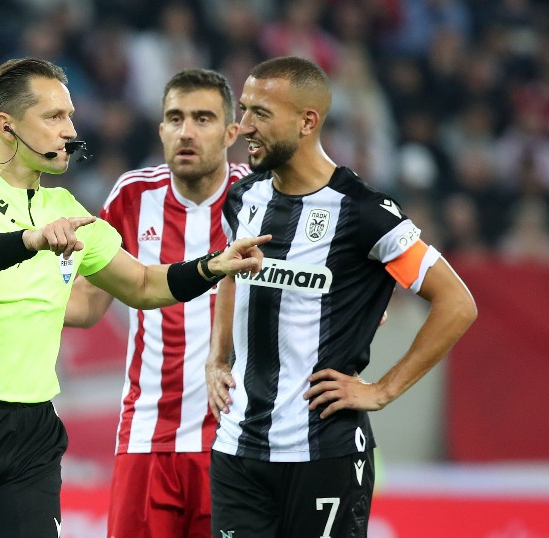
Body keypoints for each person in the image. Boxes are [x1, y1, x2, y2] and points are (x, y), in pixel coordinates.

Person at [0, 57, 270, 538]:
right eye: (54, 117)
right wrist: (30, 239)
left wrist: (211, 266)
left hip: (33, 431)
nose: (70, 130)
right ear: (7, 126)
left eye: (69, 116)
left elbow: (143, 285)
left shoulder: (66, 209)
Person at [205, 56, 478, 537]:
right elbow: (230, 275)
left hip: (324, 453)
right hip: (238, 451)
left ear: (307, 121)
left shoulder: (365, 212)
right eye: (244, 109)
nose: (243, 125)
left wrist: (383, 390)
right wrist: (217, 358)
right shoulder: (243, 198)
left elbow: (457, 303)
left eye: (260, 113)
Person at [64, 68, 248, 537]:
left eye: (203, 119)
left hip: (238, 439)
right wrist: (10, 301)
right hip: (148, 435)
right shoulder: (133, 195)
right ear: (162, 129)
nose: (187, 132)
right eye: (176, 118)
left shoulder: (262, 197)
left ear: (231, 133)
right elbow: (88, 302)